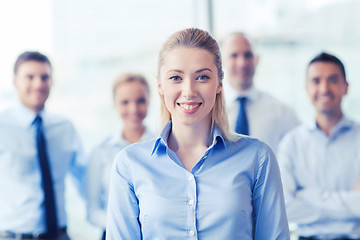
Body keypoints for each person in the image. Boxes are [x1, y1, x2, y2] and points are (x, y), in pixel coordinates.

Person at [106, 28, 290, 239]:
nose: (189, 91)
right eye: (176, 78)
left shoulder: (258, 158)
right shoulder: (129, 164)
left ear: (219, 83)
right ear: (159, 85)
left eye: (202, 77)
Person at [0, 51, 87, 240]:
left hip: (60, 235)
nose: (38, 84)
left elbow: (85, 181)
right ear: (15, 81)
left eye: (44, 77)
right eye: (30, 77)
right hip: (13, 235)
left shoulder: (65, 127)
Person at [277, 52, 360, 239]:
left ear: (346, 87)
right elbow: (285, 207)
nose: (324, 88)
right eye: (316, 81)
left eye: (332, 80)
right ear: (306, 89)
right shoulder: (291, 143)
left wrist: (306, 197)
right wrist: (350, 206)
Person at [86, 73, 154, 240]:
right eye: (125, 102)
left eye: (140, 100)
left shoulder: (163, 147)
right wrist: (124, 227)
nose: (133, 109)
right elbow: (92, 210)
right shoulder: (101, 151)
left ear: (149, 101)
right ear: (114, 104)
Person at [221, 32, 300, 152]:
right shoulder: (208, 112)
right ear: (222, 62)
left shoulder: (282, 112)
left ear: (257, 60)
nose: (242, 63)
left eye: (248, 55)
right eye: (234, 55)